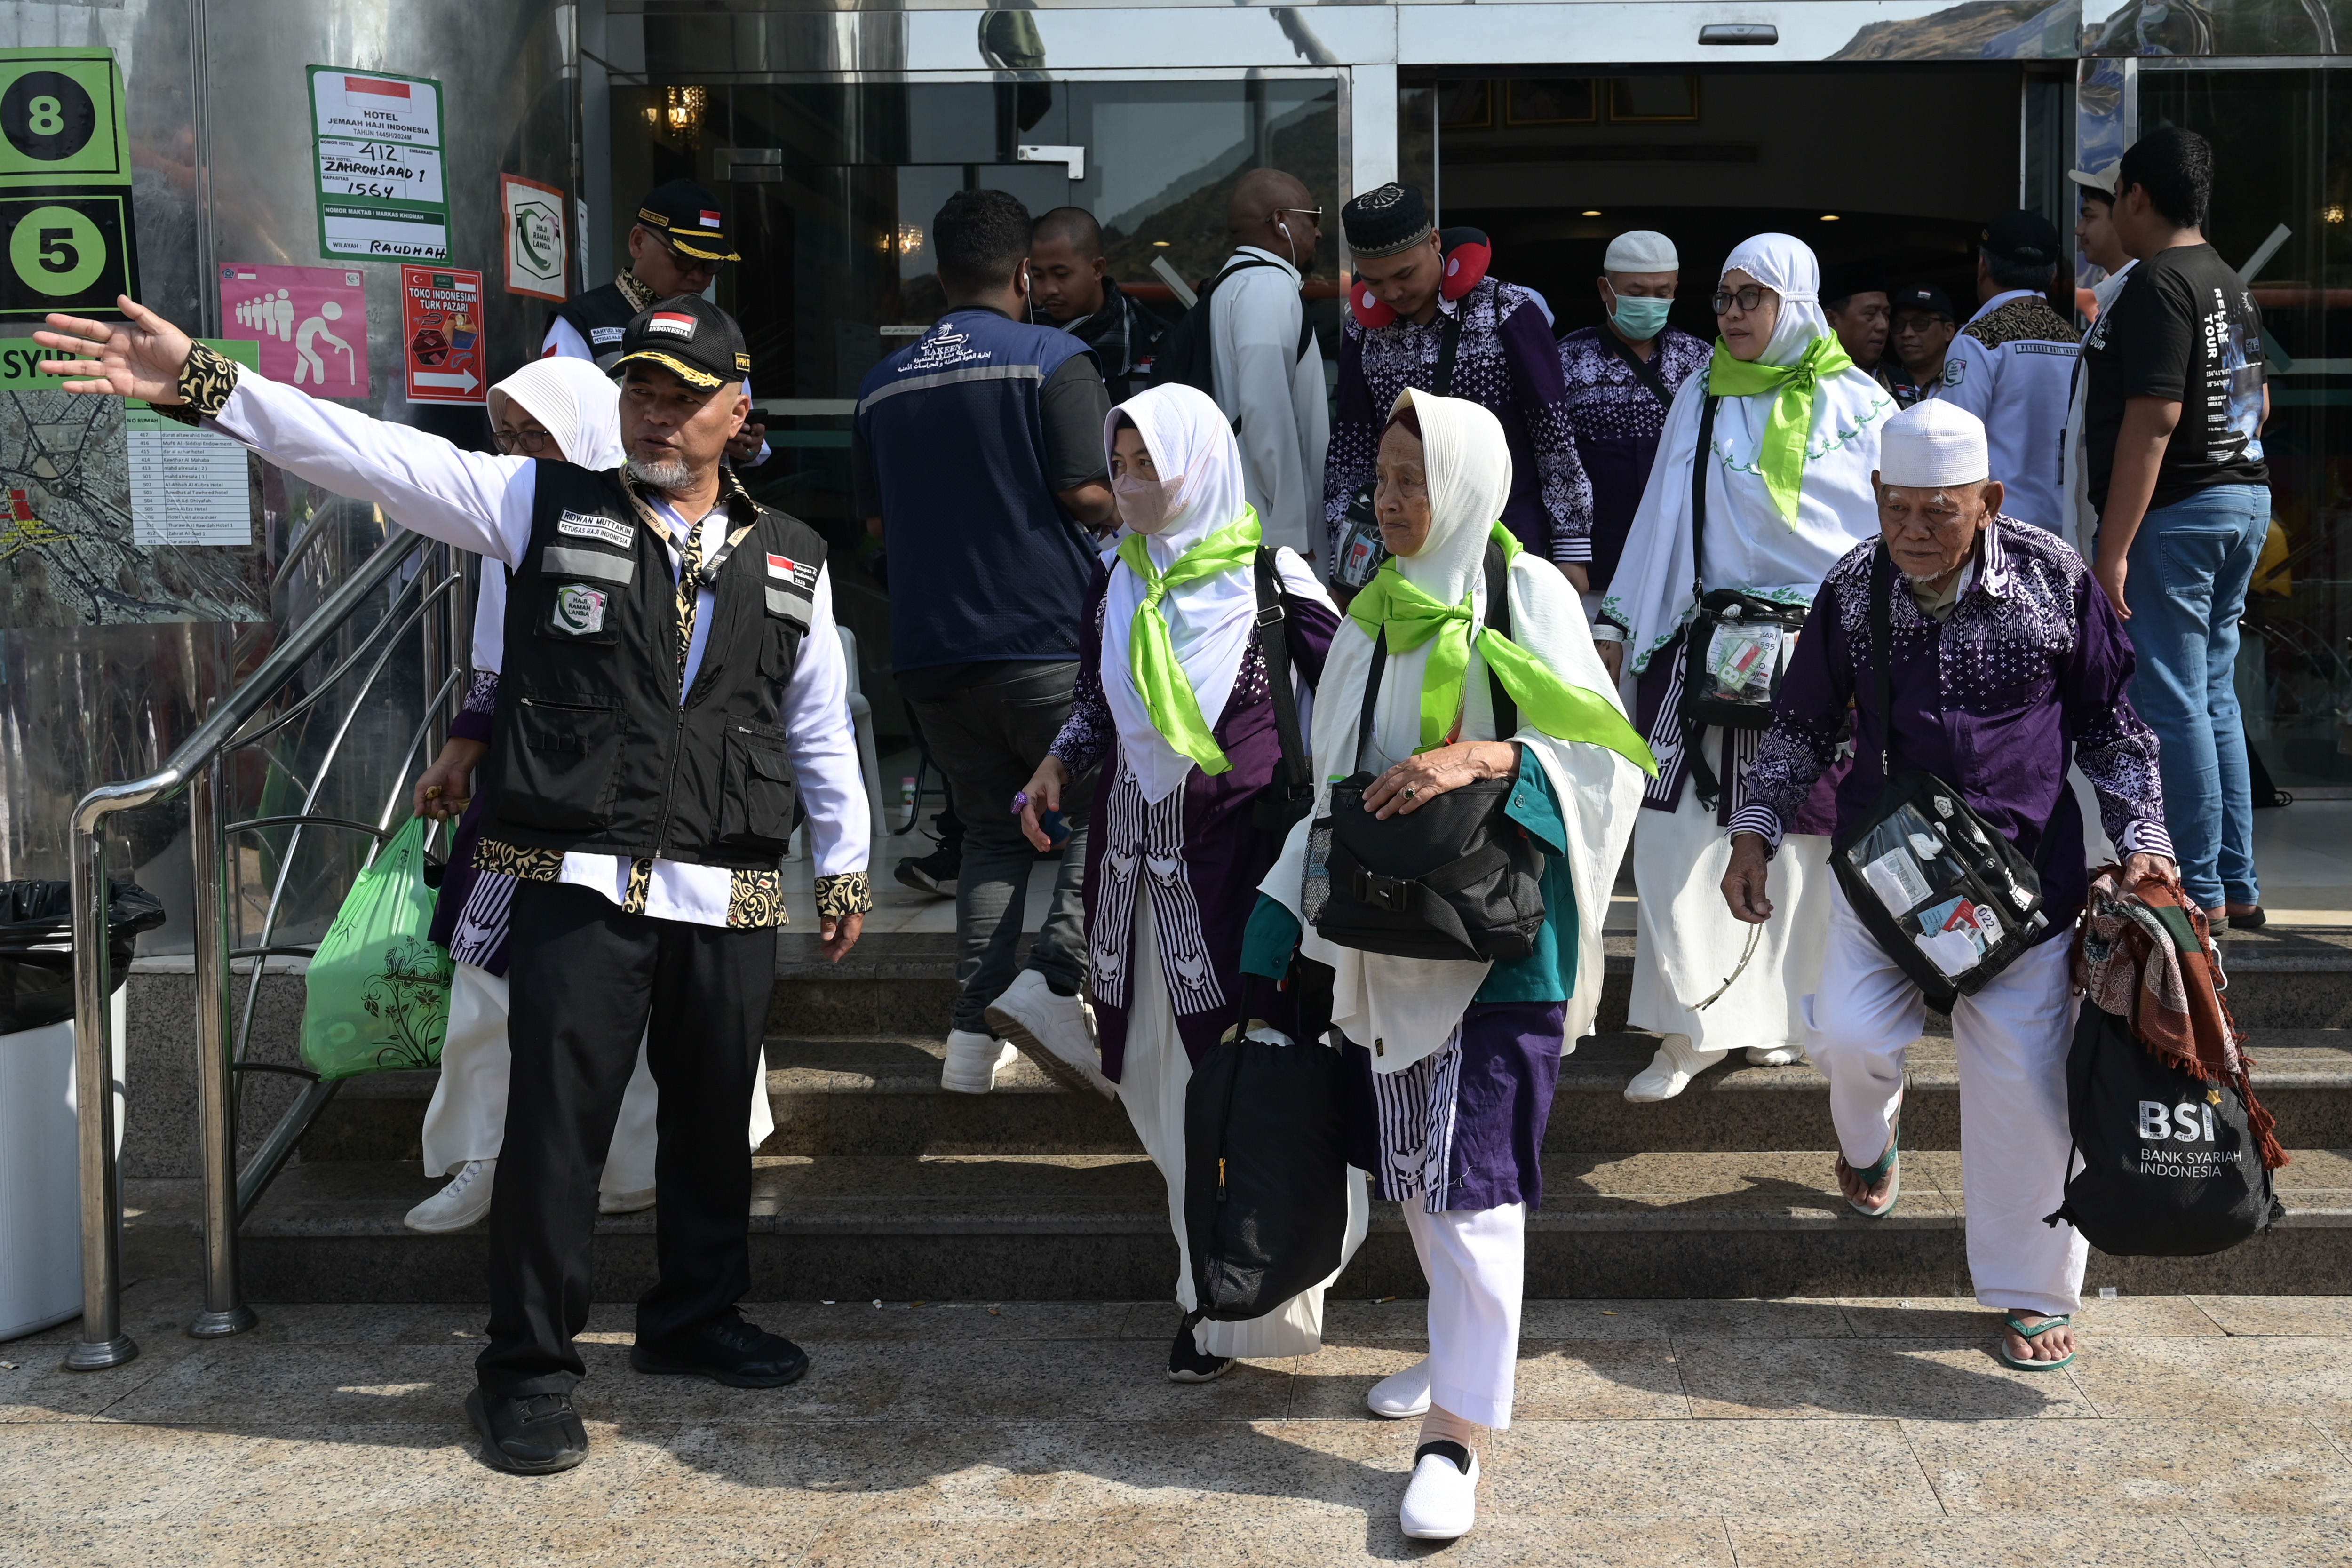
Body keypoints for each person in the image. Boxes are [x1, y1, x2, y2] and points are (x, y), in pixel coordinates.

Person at [38, 290, 874, 1475]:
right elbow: (366, 451)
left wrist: (842, 863)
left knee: (707, 1129)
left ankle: (695, 1319)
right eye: (638, 388)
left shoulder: (793, 553)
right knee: (553, 1133)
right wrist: (207, 384)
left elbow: (815, 717)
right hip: (577, 875)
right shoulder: (539, 502)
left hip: (723, 885)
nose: (652, 413)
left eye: (683, 398)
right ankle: (526, 1370)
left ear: (738, 413)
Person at [1255, 389, 1648, 1541]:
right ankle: (1449, 1357)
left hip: (1498, 948)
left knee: (1473, 1189)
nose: (1393, 497)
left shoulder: (1521, 594)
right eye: (1382, 475)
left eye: (1415, 478)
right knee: (1415, 1177)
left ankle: (1458, 1441)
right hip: (1386, 947)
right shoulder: (1373, 609)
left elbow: (1608, 757)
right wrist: (1287, 907)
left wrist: (1485, 755)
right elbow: (1333, 784)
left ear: (1472, 482)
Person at [1724, 398, 2177, 1374]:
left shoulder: (2054, 577)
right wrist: (1754, 830)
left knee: (2024, 1093)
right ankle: (1868, 1141)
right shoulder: (1853, 587)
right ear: (1878, 496)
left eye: (1939, 512)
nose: (1914, 534)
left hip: (2026, 885)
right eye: (1898, 511)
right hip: (1887, 873)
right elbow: (1800, 725)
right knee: (1844, 1034)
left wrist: (2146, 839)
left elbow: (2110, 727)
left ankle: (2030, 1291)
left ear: (1989, 500)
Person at [1013, 381, 1356, 1382]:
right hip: (1130, 879)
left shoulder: (1270, 579)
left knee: (1247, 1088)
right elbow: (1094, 705)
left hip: (1236, 875)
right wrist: (1052, 763)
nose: (1127, 485)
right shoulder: (1113, 578)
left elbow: (1350, 701)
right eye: (1118, 465)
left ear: (1195, 466)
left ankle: (1251, 1297)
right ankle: (1207, 1275)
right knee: (1161, 1091)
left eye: (1145, 465)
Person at [403, 359, 775, 1233]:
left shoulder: (704, 530)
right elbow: (497, 660)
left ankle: (636, 1172)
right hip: (541, 796)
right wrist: (462, 751)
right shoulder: (525, 516)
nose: (525, 454)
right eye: (510, 438)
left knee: (675, 1007)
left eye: (542, 436)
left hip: (672, 816)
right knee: (488, 975)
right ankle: (489, 1155)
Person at [1595, 234, 1893, 1103]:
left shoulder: (1863, 406)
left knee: (1798, 842)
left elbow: (1883, 543)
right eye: (1723, 298)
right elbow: (1661, 513)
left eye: (1749, 298)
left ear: (1794, 304)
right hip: (1708, 646)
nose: (1730, 315)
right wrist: (1623, 620)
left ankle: (1784, 1018)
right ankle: (1690, 1026)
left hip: (1815, 653)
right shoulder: (1703, 392)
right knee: (1674, 831)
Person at [854, 188, 1118, 1097]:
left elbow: (881, 525)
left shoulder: (882, 383)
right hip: (1047, 638)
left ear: (940, 275)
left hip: (932, 652)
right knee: (1101, 810)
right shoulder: (1054, 357)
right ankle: (1052, 982)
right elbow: (1089, 491)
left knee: (991, 837)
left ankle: (971, 1041)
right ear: (1019, 273)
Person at [2082, 126, 2271, 931]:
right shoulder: (2231, 279)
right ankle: (2235, 880)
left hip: (2181, 511)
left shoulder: (2160, 282)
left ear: (2138, 198)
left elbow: (2155, 417)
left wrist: (2112, 546)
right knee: (2213, 694)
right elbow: (2259, 402)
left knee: (2170, 697)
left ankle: (2193, 881)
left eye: (2112, 200)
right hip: (2243, 497)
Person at [1326, 183, 1593, 588]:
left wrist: (1571, 550)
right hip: (1404, 553)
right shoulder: (1362, 334)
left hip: (1503, 540)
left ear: (1435, 241)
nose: (1393, 293)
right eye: (1375, 283)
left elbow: (1553, 437)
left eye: (1404, 275)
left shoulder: (1508, 311)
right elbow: (1352, 451)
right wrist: (1345, 552)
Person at [544, 178, 768, 468]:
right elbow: (554, 427)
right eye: (685, 259)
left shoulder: (718, 332)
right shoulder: (582, 321)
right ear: (638, 242)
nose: (699, 276)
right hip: (608, 501)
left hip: (698, 505)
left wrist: (747, 445)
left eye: (711, 265)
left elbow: (748, 440)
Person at [1555, 230, 1711, 601]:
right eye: (1637, 293)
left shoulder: (1703, 362)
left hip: (1680, 566)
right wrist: (1568, 552)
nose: (1651, 303)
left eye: (1663, 293)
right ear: (1605, 289)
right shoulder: (1564, 361)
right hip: (1595, 569)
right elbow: (1554, 461)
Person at [1930, 211, 2081, 534]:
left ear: (1983, 267)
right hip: (2069, 531)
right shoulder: (2079, 342)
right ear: (2052, 276)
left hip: (2001, 533)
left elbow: (1955, 443)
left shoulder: (1978, 340)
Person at [1210, 167, 1329, 561]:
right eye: (1311, 219)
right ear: (1280, 221)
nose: (1318, 233)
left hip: (1244, 520)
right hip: (1272, 533)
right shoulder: (1267, 285)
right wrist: (1295, 540)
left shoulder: (1231, 283)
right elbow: (1268, 417)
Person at [2063, 163, 2138, 568]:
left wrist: (2115, 549)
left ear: (2131, 209)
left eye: (2089, 216)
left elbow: (2151, 425)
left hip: (2126, 538)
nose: (2078, 230)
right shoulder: (2118, 297)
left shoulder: (2147, 297)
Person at [1029, 206, 1170, 403]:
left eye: (1061, 275)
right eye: (1038, 276)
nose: (1049, 289)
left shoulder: (1155, 341)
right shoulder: (1022, 343)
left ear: (1097, 269)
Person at [1885, 283, 1957, 408]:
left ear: (1948, 331)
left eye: (1920, 323)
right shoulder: (1879, 382)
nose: (1907, 334)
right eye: (1898, 325)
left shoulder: (1966, 381)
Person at [1822, 269, 1891, 379]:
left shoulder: (1902, 380)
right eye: (1871, 314)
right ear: (1831, 319)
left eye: (1887, 314)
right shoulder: (1817, 380)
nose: (1883, 326)